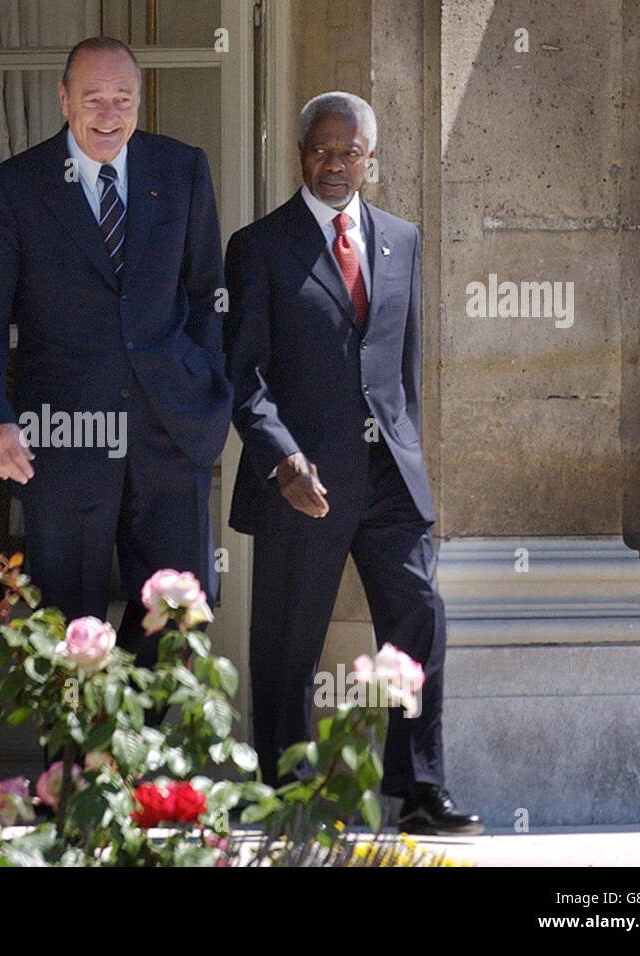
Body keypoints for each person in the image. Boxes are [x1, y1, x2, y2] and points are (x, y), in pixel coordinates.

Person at [224, 91, 482, 835]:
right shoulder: (259, 247)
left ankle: (417, 792)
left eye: (349, 151)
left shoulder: (403, 238)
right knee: (287, 640)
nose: (334, 164)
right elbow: (244, 374)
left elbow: (403, 371)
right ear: (300, 154)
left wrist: (413, 462)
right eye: (320, 149)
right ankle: (289, 793)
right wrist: (283, 461)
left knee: (419, 617)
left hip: (389, 480)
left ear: (371, 158)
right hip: (301, 480)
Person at [0, 36, 230, 671]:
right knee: (69, 627)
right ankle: (75, 772)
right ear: (62, 99)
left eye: (123, 99)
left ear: (140, 100)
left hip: (170, 429)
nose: (109, 114)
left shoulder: (182, 169)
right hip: (64, 438)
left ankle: (148, 766)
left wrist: (209, 388)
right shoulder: (13, 189)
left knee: (178, 618)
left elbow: (205, 291)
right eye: (93, 99)